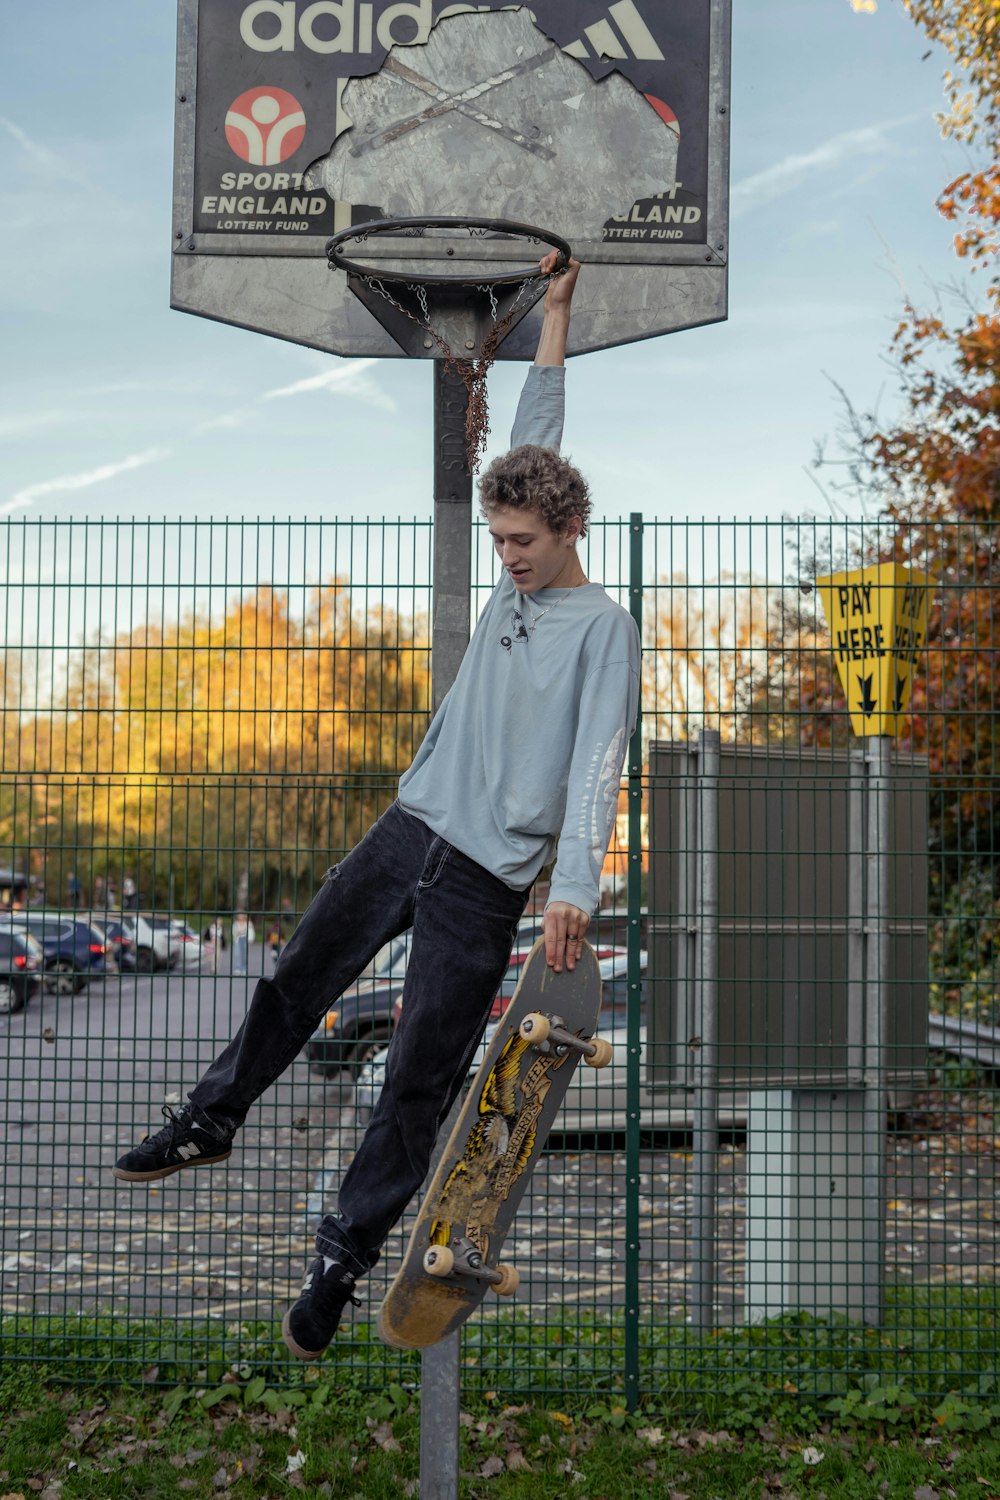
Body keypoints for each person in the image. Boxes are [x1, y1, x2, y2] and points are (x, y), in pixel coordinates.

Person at [111, 254, 640, 1363]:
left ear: (566, 528)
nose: (508, 561)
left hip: (490, 881)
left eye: (523, 545)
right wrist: (554, 315)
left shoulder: (603, 628)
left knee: (416, 1080)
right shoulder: (516, 575)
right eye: (498, 544)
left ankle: (340, 1263)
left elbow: (600, 763)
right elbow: (538, 425)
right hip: (412, 828)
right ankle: (214, 1115)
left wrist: (575, 892)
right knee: (299, 973)